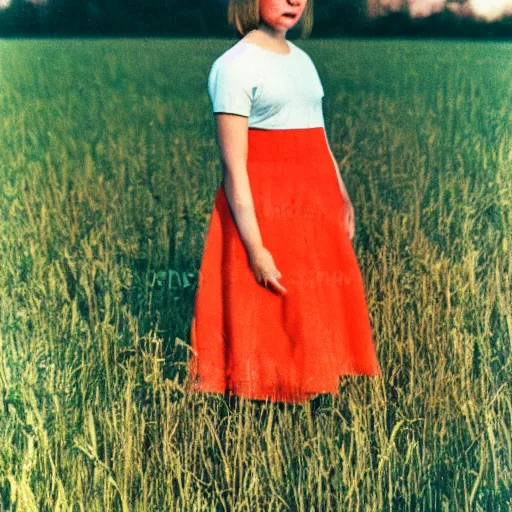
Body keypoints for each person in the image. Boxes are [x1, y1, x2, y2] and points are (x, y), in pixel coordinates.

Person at [186, 0, 382, 408]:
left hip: (314, 205)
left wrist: (340, 193)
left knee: (311, 305)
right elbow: (233, 167)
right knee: (271, 308)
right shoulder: (234, 65)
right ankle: (260, 410)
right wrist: (255, 248)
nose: (295, 1)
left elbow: (317, 132)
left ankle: (308, 403)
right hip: (265, 209)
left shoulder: (304, 61)